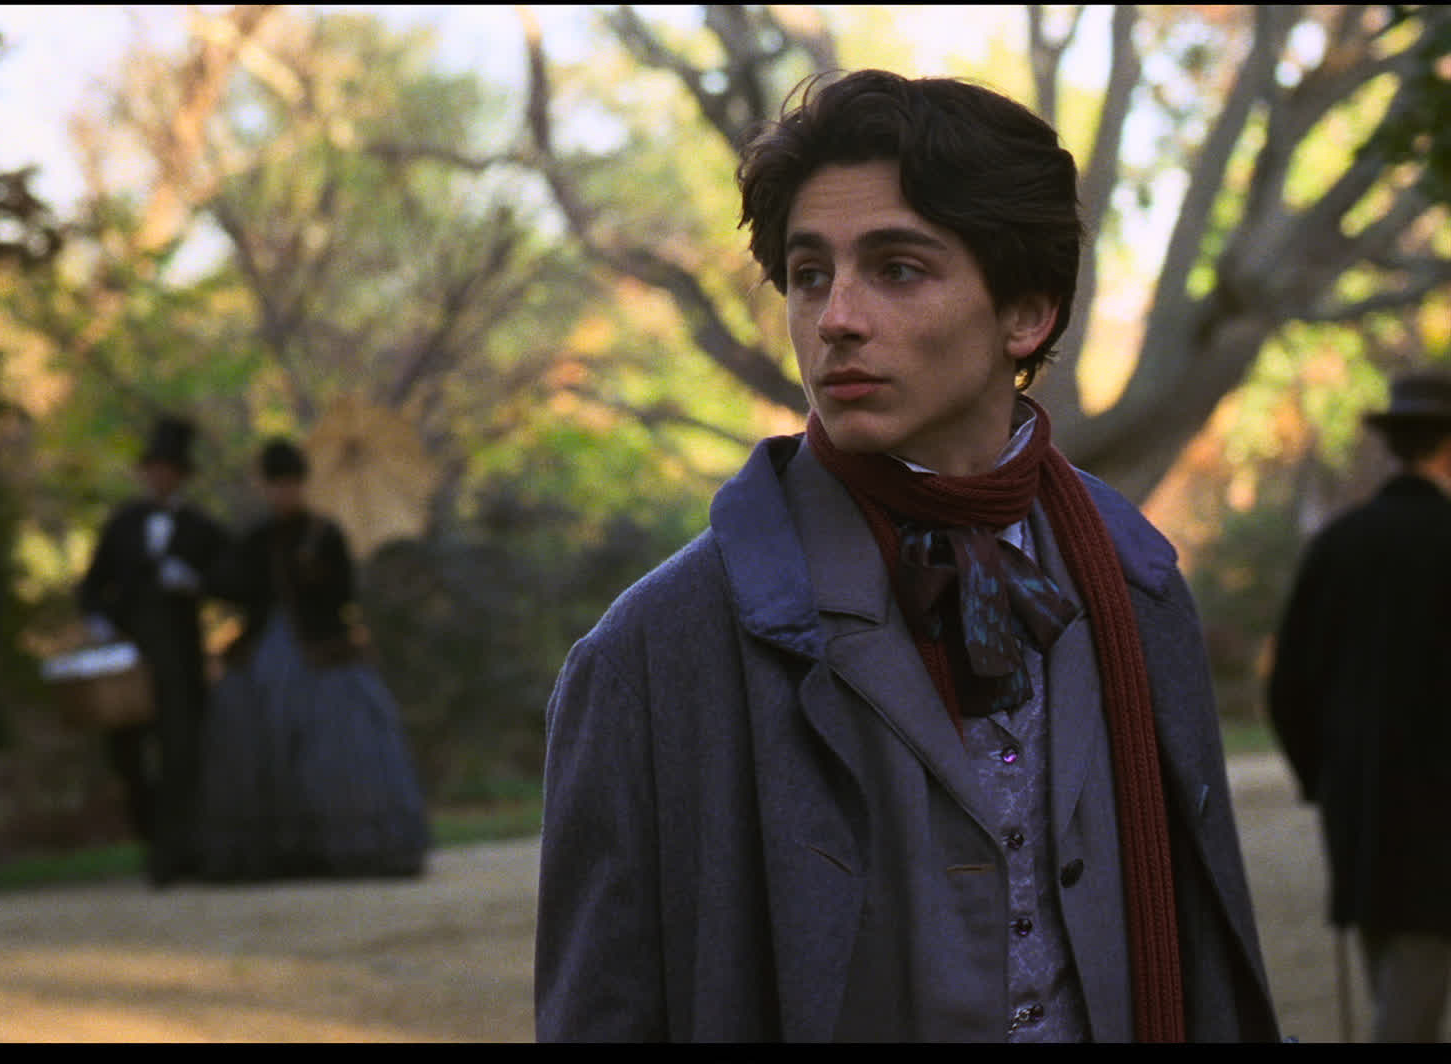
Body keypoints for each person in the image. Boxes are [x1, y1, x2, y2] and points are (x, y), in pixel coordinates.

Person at [534, 69, 1280, 1042]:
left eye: (896, 269)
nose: (836, 317)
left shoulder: (1137, 588)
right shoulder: (654, 654)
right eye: (810, 274)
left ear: (1027, 314)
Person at [1267, 369, 1451, 1043]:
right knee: (1411, 997)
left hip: (1359, 799)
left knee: (1394, 970)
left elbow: (1288, 687)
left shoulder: (1338, 544)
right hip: (1440, 804)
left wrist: (1323, 776)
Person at [195, 438, 427, 881]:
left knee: (339, 746)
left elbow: (344, 594)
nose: (284, 493)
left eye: (291, 484)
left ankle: (352, 845)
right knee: (256, 736)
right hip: (265, 653)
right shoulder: (256, 539)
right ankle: (280, 850)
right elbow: (230, 587)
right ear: (266, 488)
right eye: (276, 485)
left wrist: (315, 575)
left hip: (322, 654)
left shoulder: (326, 534)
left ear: (302, 485)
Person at [77, 414, 230, 886]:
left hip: (180, 661)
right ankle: (153, 840)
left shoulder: (201, 528)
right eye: (154, 469)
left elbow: (233, 580)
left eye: (169, 469)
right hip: (130, 660)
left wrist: (196, 582)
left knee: (181, 754)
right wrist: (100, 620)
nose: (160, 477)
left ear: (181, 475)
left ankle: (179, 851)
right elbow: (92, 585)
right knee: (129, 756)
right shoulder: (123, 524)